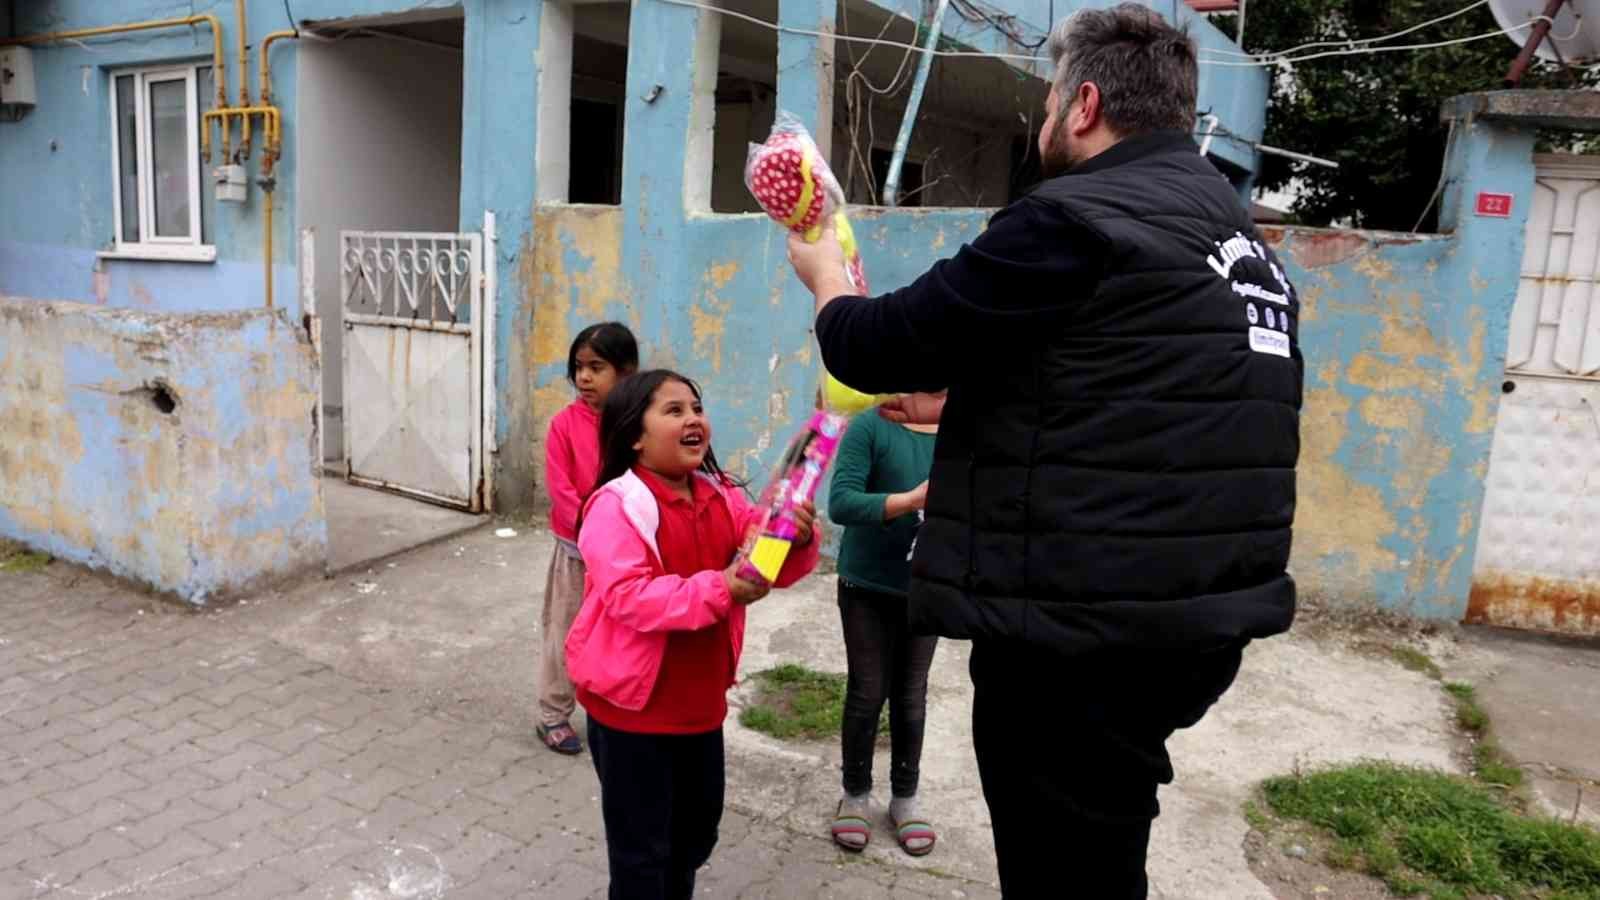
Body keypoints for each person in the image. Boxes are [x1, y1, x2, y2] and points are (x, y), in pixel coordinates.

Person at [786, 5, 1304, 897]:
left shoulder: (1076, 219)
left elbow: (881, 345)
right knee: (1102, 844)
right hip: (1197, 621)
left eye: (1051, 97)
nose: (1041, 121)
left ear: (1085, 102)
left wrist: (826, 275)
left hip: (1081, 632)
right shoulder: (1231, 233)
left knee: (1061, 868)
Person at [567, 369, 821, 900]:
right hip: (633, 714)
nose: (693, 419)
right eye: (674, 410)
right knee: (642, 857)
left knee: (692, 840)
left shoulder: (721, 496)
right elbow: (630, 598)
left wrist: (792, 536)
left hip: (700, 708)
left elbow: (760, 566)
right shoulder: (617, 505)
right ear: (635, 434)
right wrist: (723, 588)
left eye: (697, 408)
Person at [825, 396, 940, 856]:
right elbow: (841, 502)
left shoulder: (966, 426)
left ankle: (905, 799)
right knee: (868, 691)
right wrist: (911, 500)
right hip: (866, 583)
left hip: (928, 586)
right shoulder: (872, 425)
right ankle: (855, 795)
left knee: (912, 693)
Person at [536, 322, 638, 755]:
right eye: (578, 367)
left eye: (596, 367)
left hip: (626, 557)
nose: (584, 378)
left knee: (616, 633)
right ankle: (552, 713)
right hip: (577, 553)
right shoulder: (564, 426)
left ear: (627, 371)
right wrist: (596, 537)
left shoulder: (637, 422)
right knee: (566, 630)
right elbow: (563, 494)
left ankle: (611, 705)